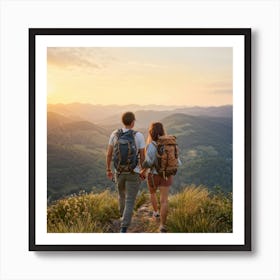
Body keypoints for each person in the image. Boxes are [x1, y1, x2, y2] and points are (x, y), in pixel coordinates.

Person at [106, 112, 145, 233]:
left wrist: (108, 169)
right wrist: (143, 171)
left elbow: (109, 154)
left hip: (119, 171)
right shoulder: (138, 136)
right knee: (130, 200)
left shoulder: (114, 134)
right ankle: (124, 226)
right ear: (133, 122)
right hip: (134, 172)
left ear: (123, 121)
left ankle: (123, 217)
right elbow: (143, 156)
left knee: (121, 196)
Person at [140, 122, 175, 233]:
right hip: (167, 175)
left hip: (154, 175)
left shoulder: (151, 145)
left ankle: (156, 213)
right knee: (164, 201)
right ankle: (162, 226)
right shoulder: (170, 144)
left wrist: (143, 170)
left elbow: (149, 163)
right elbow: (178, 161)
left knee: (153, 193)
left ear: (151, 132)